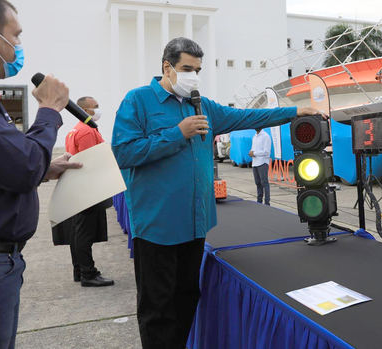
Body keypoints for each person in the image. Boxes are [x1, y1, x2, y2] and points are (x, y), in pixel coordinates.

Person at [112, 37, 323, 349]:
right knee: (157, 308)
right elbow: (125, 153)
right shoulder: (138, 101)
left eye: (198, 69)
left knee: (186, 298)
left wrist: (293, 111)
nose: (193, 76)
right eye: (187, 68)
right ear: (166, 67)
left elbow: (247, 117)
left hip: (194, 225)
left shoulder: (203, 106)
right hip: (157, 227)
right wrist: (177, 134)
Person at [0, 0, 79, 347]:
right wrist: (50, 111)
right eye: (16, 35)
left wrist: (43, 166)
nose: (18, 45)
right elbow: (20, 165)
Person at [52, 96, 114, 287]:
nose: (98, 110)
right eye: (95, 107)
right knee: (84, 233)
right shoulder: (87, 130)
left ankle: (79, 270)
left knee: (78, 231)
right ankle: (88, 273)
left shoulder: (75, 130)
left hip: (77, 185)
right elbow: (92, 160)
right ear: (85, 110)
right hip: (87, 187)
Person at [249, 127, 272, 205]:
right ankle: (259, 201)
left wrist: (254, 153)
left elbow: (266, 152)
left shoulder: (266, 136)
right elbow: (253, 149)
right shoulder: (254, 136)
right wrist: (251, 152)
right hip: (255, 163)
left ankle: (267, 202)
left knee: (264, 183)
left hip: (262, 162)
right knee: (258, 183)